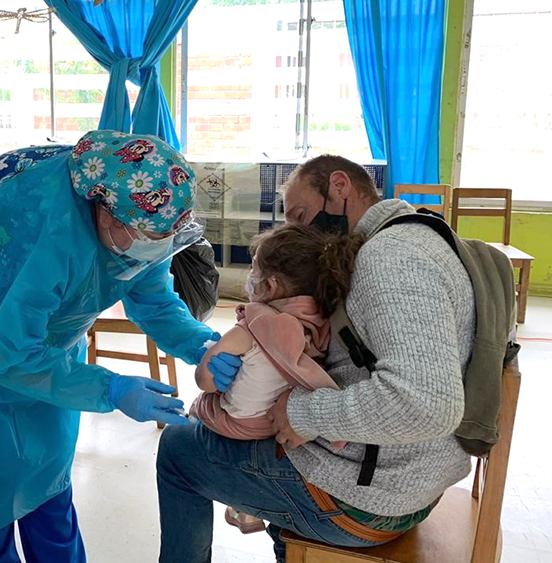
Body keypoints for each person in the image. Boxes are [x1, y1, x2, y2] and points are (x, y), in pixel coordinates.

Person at [0, 130, 242, 563]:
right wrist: (110, 388)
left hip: (47, 342)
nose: (157, 248)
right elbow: (11, 355)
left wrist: (201, 345)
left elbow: (153, 300)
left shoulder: (142, 222)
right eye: (149, 237)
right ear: (106, 215)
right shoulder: (35, 227)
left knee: (47, 473)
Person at [156, 155, 475, 563]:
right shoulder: (417, 234)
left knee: (178, 448)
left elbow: (427, 404)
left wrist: (305, 415)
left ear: (339, 186)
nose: (299, 235)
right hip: (409, 479)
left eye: (301, 216)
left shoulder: (389, 258)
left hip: (370, 497)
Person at [190, 224, 361, 533]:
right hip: (281, 426)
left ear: (269, 286)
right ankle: (255, 510)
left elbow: (206, 378)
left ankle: (242, 502)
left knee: (199, 409)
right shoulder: (322, 327)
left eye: (253, 270)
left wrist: (207, 365)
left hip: (239, 425)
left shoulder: (256, 322)